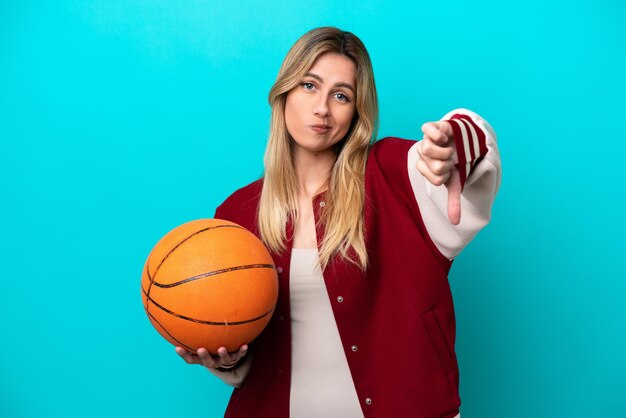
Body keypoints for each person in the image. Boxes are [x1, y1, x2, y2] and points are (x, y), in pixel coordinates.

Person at [175, 26, 501, 418]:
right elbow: (249, 352)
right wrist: (226, 359)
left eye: (341, 95)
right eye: (309, 86)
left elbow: (471, 140)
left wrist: (451, 146)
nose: (323, 108)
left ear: (357, 112)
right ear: (284, 94)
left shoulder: (396, 177)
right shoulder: (237, 214)